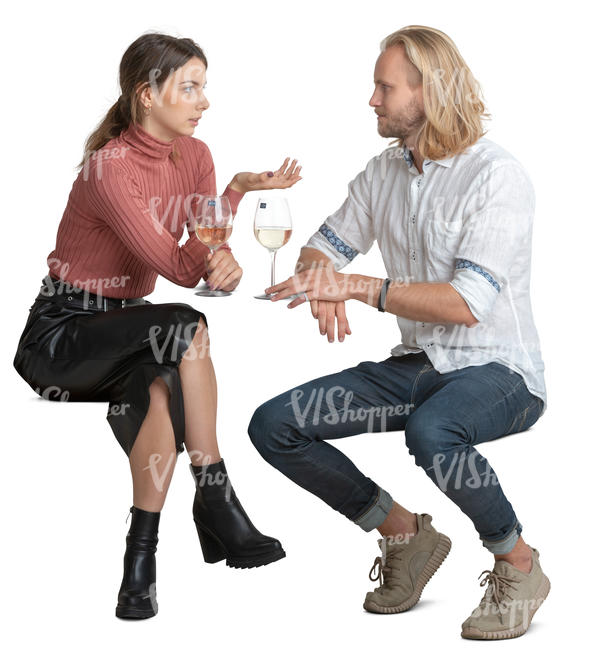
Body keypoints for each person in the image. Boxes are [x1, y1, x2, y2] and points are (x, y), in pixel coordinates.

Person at [248, 25, 549, 640]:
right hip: (418, 366)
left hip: (500, 371)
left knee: (433, 431)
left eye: (384, 87)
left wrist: (356, 288)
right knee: (275, 425)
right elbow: (320, 247)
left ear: (428, 91)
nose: (373, 100)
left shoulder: (497, 177)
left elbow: (468, 303)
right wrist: (319, 277)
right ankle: (405, 535)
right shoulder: (383, 172)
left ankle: (518, 562)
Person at [12, 32, 302, 620]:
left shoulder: (195, 156)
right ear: (147, 95)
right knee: (186, 324)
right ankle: (217, 498)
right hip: (61, 336)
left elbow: (195, 256)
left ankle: (137, 569)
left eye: (204, 86)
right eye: (189, 87)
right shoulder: (109, 169)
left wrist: (231, 215)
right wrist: (202, 264)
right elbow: (171, 267)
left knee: (157, 392)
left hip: (127, 330)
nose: (203, 100)